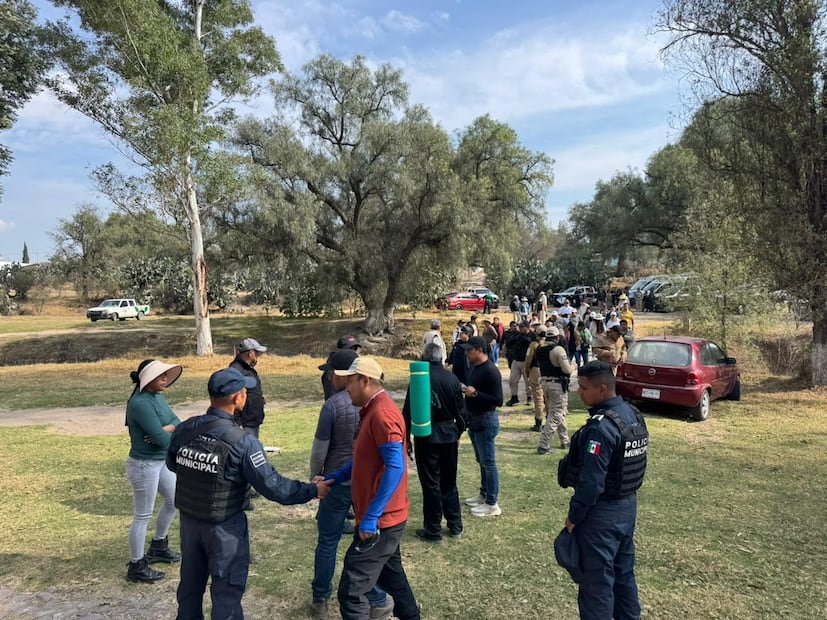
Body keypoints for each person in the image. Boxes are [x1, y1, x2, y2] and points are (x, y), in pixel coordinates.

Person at [167, 367, 331, 619]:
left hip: (190, 522)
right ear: (236, 398)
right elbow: (274, 487)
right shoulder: (243, 442)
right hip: (224, 529)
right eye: (244, 390)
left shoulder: (187, 428)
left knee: (189, 588)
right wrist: (312, 490)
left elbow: (172, 463)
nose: (246, 393)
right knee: (226, 596)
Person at [323, 357, 420, 620]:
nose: (346, 388)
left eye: (351, 382)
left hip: (382, 522)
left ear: (365, 381)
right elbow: (364, 460)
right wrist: (334, 477)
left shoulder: (383, 414)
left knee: (352, 592)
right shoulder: (371, 410)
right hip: (384, 519)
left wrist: (372, 517)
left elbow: (396, 467)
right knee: (394, 580)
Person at [557, 361, 649, 619]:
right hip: (627, 508)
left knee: (596, 585)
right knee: (623, 576)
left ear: (603, 388)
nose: (579, 392)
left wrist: (574, 518)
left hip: (601, 514)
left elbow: (591, 483)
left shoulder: (601, 426)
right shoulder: (633, 414)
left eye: (584, 388)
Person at [310, 349, 391, 619]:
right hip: (362, 483)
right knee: (365, 545)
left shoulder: (333, 405)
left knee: (328, 542)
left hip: (336, 481)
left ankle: (321, 597)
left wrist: (316, 479)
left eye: (333, 372)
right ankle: (376, 595)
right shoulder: (369, 404)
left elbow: (319, 449)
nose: (330, 377)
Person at [125, 359, 183, 583]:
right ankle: (136, 565)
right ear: (147, 380)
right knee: (142, 515)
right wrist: (167, 431)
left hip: (160, 462)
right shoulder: (140, 403)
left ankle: (159, 545)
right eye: (161, 376)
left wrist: (167, 428)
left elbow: (176, 422)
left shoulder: (157, 397)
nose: (165, 379)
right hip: (144, 465)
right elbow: (160, 440)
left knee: (174, 501)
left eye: (166, 375)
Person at [402, 343, 465, 543]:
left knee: (431, 484)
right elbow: (462, 412)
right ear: (441, 358)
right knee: (449, 482)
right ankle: (455, 526)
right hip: (449, 434)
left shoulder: (418, 379)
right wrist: (458, 434)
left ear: (423, 357)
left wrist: (407, 438)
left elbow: (408, 411)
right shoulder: (452, 378)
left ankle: (433, 529)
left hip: (426, 436)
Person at [460, 336, 504, 517]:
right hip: (475, 419)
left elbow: (498, 400)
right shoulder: (475, 367)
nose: (466, 353)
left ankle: (493, 503)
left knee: (489, 462)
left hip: (486, 419)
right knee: (481, 460)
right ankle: (484, 494)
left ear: (480, 350)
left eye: (469, 350)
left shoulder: (491, 371)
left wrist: (475, 393)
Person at [536, 327, 571, 454]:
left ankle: (565, 441)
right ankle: (543, 445)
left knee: (556, 412)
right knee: (556, 414)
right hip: (557, 384)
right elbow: (567, 370)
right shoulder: (558, 349)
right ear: (557, 338)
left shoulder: (540, 349)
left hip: (545, 383)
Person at [229, 338, 267, 438]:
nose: (258, 356)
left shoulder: (247, 369)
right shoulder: (237, 371)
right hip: (244, 424)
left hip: (252, 421)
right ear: (250, 353)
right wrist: (238, 424)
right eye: (256, 353)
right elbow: (233, 398)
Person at [321, 335, 362, 399]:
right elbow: (332, 400)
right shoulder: (333, 373)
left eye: (355, 348)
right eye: (350, 349)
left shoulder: (355, 368)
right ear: (339, 350)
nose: (353, 352)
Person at [524, 328, 547, 432]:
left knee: (538, 397)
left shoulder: (534, 345)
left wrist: (527, 372)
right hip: (547, 371)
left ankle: (538, 421)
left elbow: (528, 359)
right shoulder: (549, 344)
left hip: (536, 370)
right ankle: (550, 421)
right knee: (547, 396)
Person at [506, 322, 532, 407]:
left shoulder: (532, 335)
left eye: (522, 327)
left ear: (527, 327)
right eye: (519, 327)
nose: (520, 329)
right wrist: (515, 338)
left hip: (526, 361)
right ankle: (514, 397)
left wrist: (523, 338)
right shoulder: (517, 335)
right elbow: (508, 344)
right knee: (512, 380)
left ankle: (529, 397)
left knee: (528, 381)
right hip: (516, 360)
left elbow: (532, 343)